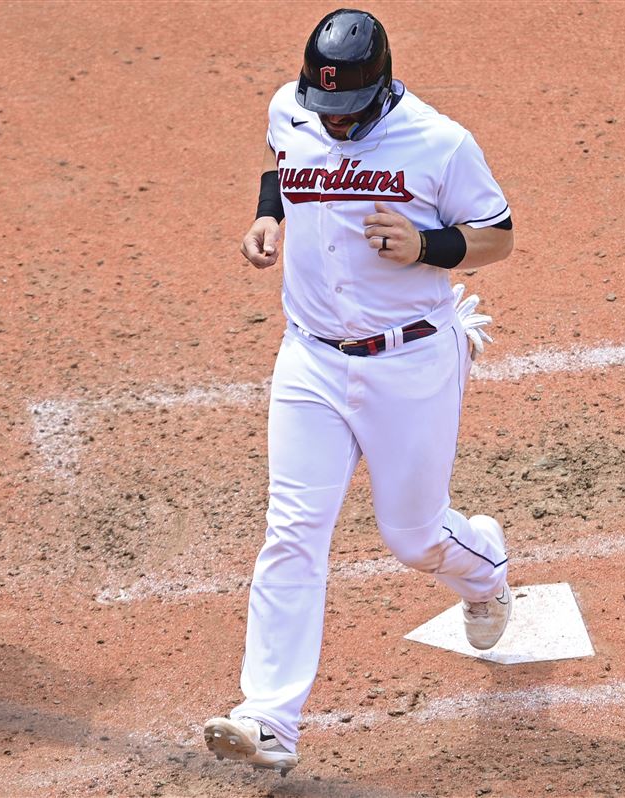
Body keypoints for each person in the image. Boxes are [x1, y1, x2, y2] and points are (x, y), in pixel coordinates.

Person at [203, 10, 515, 776]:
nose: (332, 125)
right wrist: (267, 216)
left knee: (413, 538)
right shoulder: (293, 107)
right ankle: (269, 717)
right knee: (294, 529)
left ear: (381, 91)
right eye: (323, 109)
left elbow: (497, 234)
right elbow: (283, 159)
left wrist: (427, 246)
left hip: (409, 362)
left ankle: (485, 569)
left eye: (348, 114)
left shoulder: (440, 143)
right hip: (308, 358)